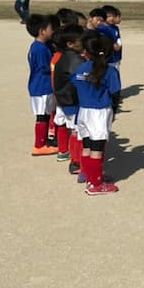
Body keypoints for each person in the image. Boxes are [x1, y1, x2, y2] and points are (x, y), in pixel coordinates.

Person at [74, 34, 122, 195]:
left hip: (83, 111)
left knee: (87, 146)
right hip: (99, 112)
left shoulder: (81, 69)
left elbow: (75, 87)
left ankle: (90, 175)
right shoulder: (110, 71)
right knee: (97, 149)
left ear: (87, 53)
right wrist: (114, 111)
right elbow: (115, 93)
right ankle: (95, 185)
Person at [52, 24, 86, 171]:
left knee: (73, 129)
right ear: (70, 44)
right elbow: (81, 81)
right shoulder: (74, 60)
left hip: (65, 98)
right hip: (72, 100)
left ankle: (73, 158)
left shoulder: (64, 56)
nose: (84, 42)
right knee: (76, 131)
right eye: (81, 40)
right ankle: (76, 161)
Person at [26, 14, 59, 156]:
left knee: (46, 114)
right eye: (51, 29)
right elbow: (46, 67)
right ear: (42, 31)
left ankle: (45, 140)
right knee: (41, 116)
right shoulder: (39, 48)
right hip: (41, 87)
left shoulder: (42, 46)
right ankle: (39, 145)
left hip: (44, 86)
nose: (53, 32)